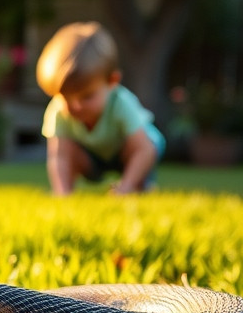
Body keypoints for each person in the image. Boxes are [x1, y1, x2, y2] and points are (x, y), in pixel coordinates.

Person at [37, 22, 164, 196]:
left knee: (145, 146)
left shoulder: (121, 103)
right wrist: (62, 193)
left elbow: (144, 150)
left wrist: (124, 189)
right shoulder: (58, 110)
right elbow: (59, 156)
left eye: (86, 96)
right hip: (93, 156)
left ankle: (138, 184)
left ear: (112, 81)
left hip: (131, 153)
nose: (76, 106)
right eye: (66, 97)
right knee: (67, 148)